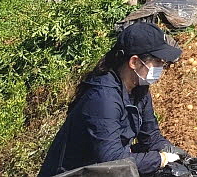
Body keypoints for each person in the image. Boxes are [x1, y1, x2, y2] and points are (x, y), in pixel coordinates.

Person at [38, 22, 184, 176]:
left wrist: (173, 153)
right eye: (157, 61)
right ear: (134, 62)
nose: (161, 66)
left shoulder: (139, 89)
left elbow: (151, 137)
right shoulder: (102, 99)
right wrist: (160, 159)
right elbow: (114, 161)